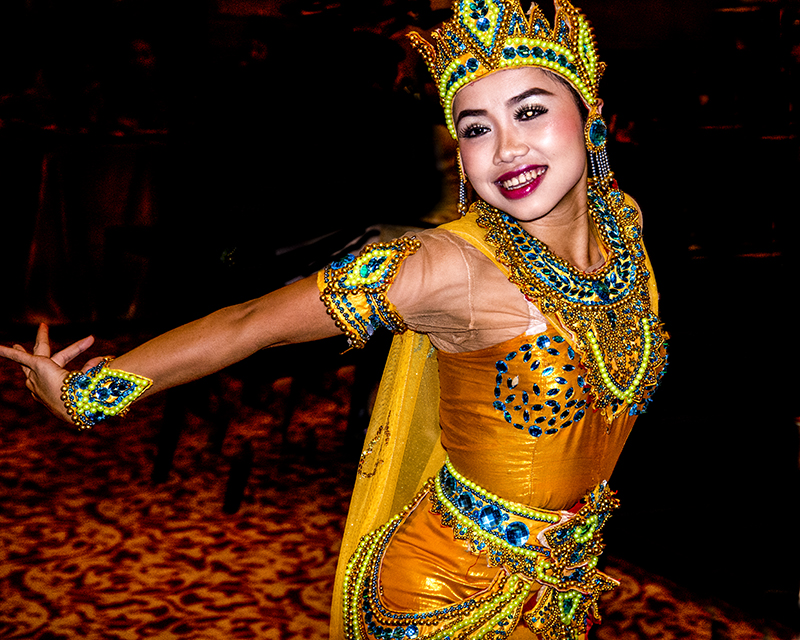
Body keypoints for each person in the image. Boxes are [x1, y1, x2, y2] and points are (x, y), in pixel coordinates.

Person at [0, 0, 668, 637]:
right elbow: (250, 322)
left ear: (591, 116)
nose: (505, 148)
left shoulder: (624, 225)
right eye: (476, 128)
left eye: (530, 111)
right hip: (445, 596)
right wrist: (90, 392)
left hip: (561, 587)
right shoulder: (447, 267)